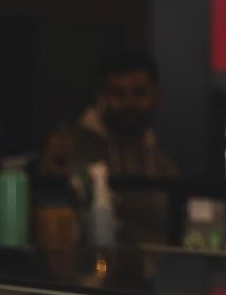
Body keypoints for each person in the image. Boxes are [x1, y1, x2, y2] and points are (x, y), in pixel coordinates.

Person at [72, 50, 178, 244]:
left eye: (139, 93)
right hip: (93, 270)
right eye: (118, 94)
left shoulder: (163, 166)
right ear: (101, 95)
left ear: (156, 96)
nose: (129, 103)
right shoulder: (74, 151)